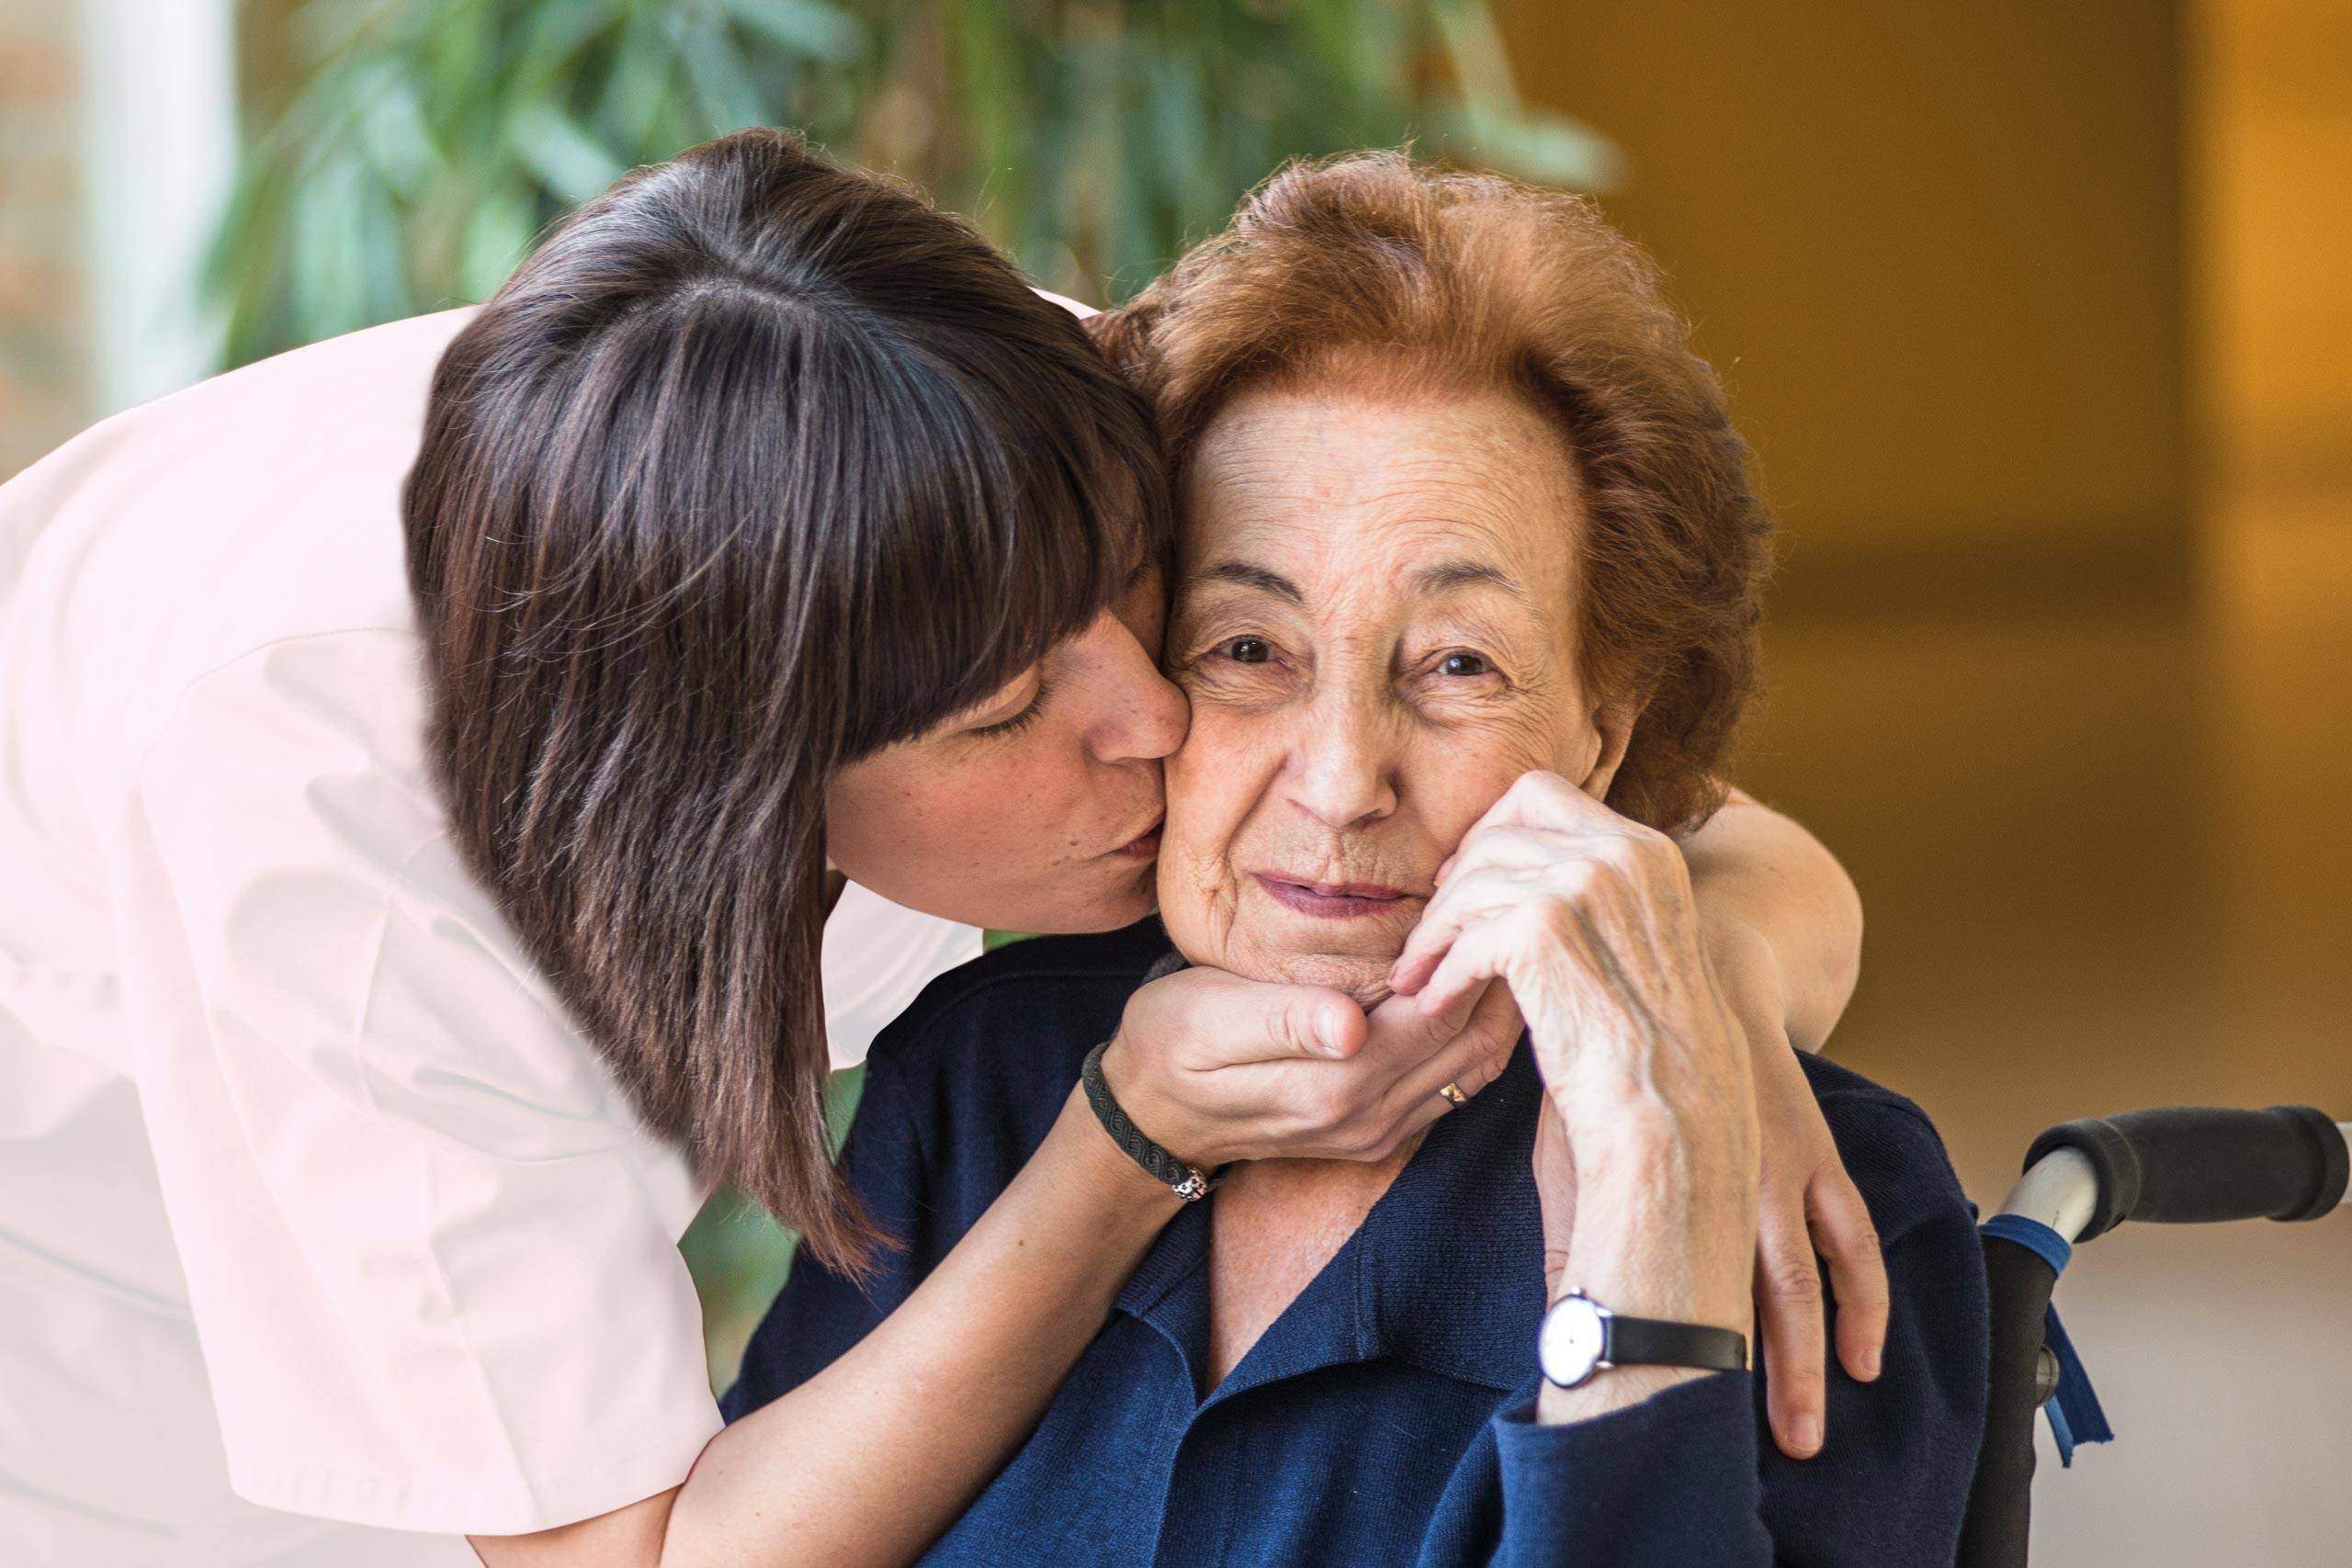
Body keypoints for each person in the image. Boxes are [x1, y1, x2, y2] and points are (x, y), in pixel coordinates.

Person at [2, 132, 1865, 1568]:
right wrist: (1121, 1144)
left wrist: (1697, 1025)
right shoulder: (341, 857)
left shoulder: (994, 424)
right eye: (1009, 710)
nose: (1165, 719)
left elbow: (1664, 790)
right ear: (745, 792)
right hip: (87, 1315)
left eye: (1143, 604)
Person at [728, 152, 1987, 1564]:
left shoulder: (1811, 1196)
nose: (1338, 783)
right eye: (1247, 648)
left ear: (1602, 732)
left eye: (1458, 666)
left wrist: (1649, 1200)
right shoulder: (981, 1082)